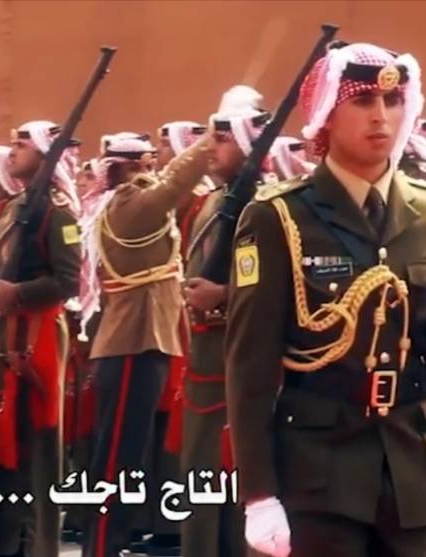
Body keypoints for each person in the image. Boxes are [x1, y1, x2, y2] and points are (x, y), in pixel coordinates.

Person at [227, 42, 426, 557]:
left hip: (413, 471)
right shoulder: (279, 217)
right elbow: (250, 366)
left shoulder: (423, 212)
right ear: (326, 115)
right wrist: (259, 495)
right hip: (318, 478)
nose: (381, 116)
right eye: (362, 101)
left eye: (392, 101)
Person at [80, 129, 213, 557]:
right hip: (132, 342)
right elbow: (174, 185)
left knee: (127, 454)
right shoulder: (130, 206)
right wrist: (212, 138)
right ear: (139, 166)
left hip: (144, 342)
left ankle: (109, 542)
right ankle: (102, 545)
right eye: (148, 164)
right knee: (117, 456)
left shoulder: (131, 204)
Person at [177, 90, 271, 557]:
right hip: (202, 356)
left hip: (241, 357)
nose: (212, 148)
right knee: (199, 469)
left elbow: (273, 285)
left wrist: (222, 297)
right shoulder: (211, 202)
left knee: (239, 472)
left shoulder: (265, 206)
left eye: (223, 139)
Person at [0, 120, 81, 557]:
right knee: (10, 450)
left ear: (45, 154)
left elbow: (68, 281)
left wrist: (18, 293)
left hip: (36, 339)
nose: (13, 151)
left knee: (38, 449)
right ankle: (9, 544)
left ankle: (37, 546)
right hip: (5, 335)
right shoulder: (15, 207)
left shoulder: (58, 212)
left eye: (22, 144)